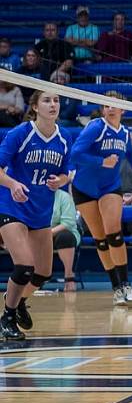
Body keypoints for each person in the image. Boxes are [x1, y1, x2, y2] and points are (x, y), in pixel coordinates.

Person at [0, 90, 72, 341]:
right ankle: (7, 317)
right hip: (12, 205)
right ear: (35, 106)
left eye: (57, 100)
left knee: (42, 272)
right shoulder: (20, 133)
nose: (53, 104)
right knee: (24, 265)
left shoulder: (64, 138)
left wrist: (59, 181)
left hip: (41, 209)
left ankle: (18, 301)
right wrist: (12, 184)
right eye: (47, 100)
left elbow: (66, 173)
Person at [69, 91, 132, 306]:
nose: (110, 108)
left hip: (109, 187)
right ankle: (115, 287)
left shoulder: (124, 132)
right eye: (106, 105)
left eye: (115, 104)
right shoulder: (96, 127)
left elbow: (131, 153)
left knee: (114, 233)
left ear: (123, 109)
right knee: (100, 239)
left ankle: (125, 284)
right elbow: (75, 154)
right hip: (84, 189)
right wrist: (101, 161)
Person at [50, 188, 80, 293]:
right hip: (38, 232)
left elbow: (68, 223)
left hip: (62, 231)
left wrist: (48, 234)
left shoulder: (64, 196)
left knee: (65, 237)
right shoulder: (32, 195)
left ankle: (69, 276)